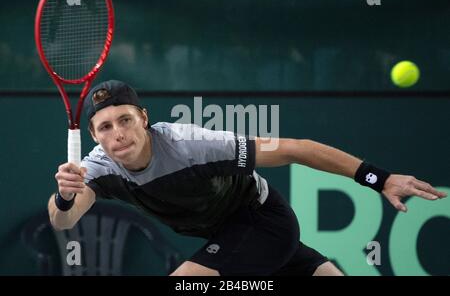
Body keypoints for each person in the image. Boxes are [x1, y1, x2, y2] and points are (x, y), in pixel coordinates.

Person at [48, 80, 447, 276]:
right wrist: (65, 198)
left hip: (261, 221)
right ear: (95, 135)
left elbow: (297, 148)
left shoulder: (193, 145)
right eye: (105, 128)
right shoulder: (98, 166)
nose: (118, 134)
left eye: (126, 120)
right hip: (227, 236)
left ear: (144, 119)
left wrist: (380, 178)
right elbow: (64, 219)